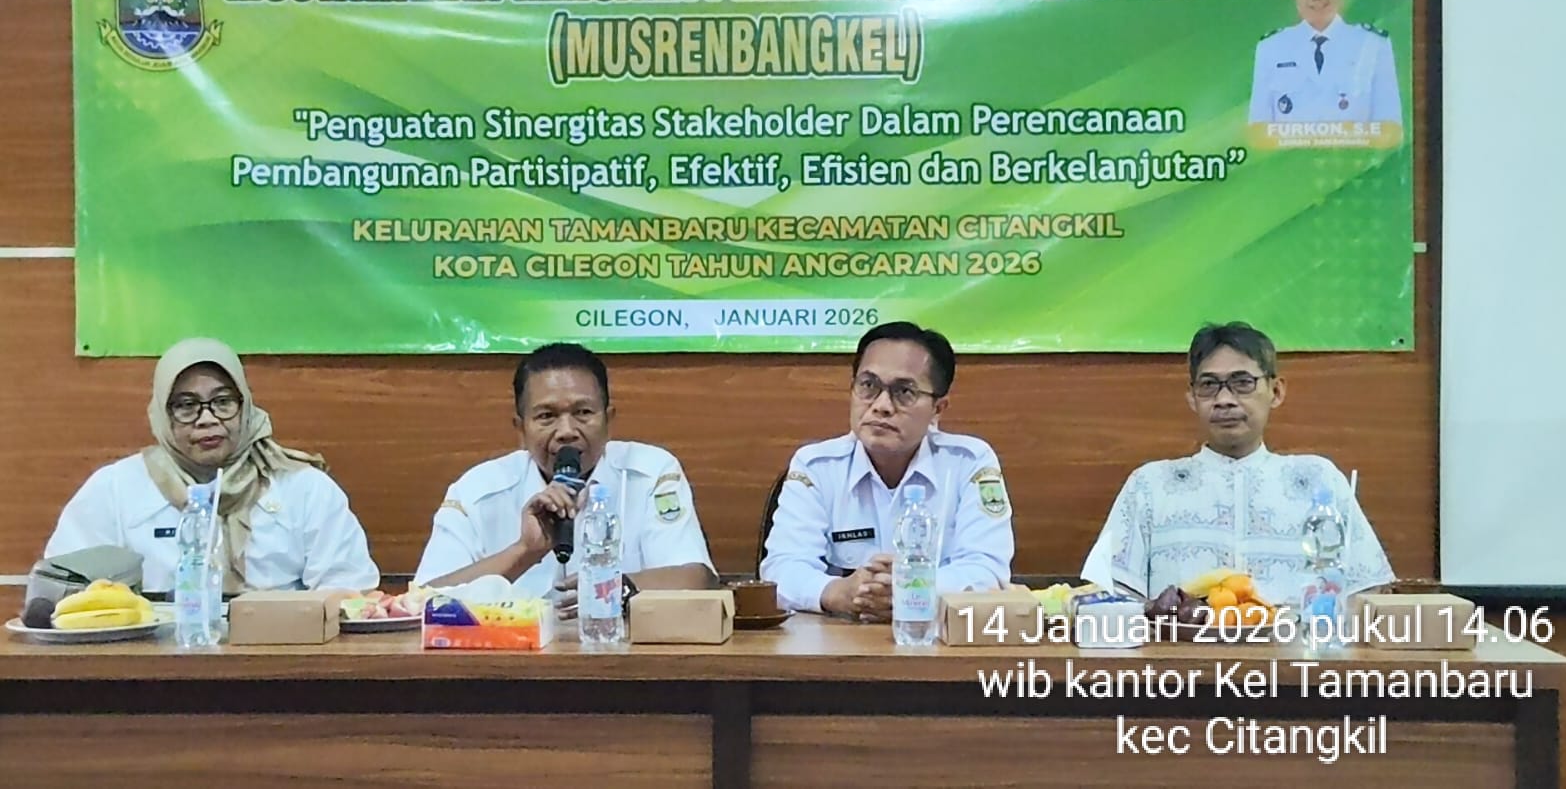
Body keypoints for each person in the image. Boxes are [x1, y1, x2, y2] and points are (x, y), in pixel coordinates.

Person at [1081, 322, 1394, 605]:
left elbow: (1367, 592)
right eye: (1209, 385)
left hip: (1294, 648)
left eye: (1242, 382)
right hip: (1180, 650)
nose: (1224, 400)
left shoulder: (1318, 480)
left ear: (1276, 391)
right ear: (1192, 398)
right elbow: (1111, 595)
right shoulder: (1151, 485)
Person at [43, 337, 380, 594]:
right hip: (151, 658)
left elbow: (350, 591)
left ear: (245, 405)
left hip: (283, 657)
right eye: (186, 405)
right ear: (161, 414)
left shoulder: (302, 487)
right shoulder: (115, 489)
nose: (207, 419)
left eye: (222, 402)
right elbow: (66, 592)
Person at [414, 342, 716, 618]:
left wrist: (615, 589)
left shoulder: (649, 473)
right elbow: (420, 603)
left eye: (583, 412)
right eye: (546, 416)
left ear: (608, 421)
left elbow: (696, 580)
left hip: (617, 651)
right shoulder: (477, 490)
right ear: (521, 429)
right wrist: (525, 551)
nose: (566, 431)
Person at [760, 322, 1015, 621]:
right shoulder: (817, 467)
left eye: (904, 392)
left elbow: (988, 570)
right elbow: (781, 568)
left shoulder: (969, 463)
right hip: (838, 639)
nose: (881, 406)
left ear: (938, 409)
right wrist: (837, 592)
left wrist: (910, 589)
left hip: (933, 639)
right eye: (868, 386)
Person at [1248, 0, 1402, 126]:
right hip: (1290, 147)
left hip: (1355, 147)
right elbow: (1259, 128)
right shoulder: (1271, 48)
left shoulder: (1373, 45)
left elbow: (1389, 125)